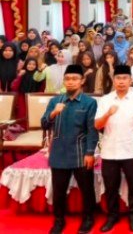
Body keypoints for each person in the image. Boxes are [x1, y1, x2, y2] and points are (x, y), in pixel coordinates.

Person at [40, 64, 98, 234]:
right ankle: (59, 220)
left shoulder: (90, 102)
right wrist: (53, 113)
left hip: (80, 153)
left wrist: (90, 153)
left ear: (82, 81)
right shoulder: (55, 101)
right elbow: (44, 123)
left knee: (87, 190)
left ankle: (88, 219)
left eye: (74, 79)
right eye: (67, 79)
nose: (70, 82)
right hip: (58, 153)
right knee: (58, 191)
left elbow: (92, 130)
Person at [94, 64, 133, 233]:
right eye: (118, 78)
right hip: (110, 150)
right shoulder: (105, 100)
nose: (121, 81)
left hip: (132, 150)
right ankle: (112, 216)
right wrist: (108, 114)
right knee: (111, 187)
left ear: (130, 80)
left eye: (125, 78)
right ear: (113, 80)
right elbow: (97, 125)